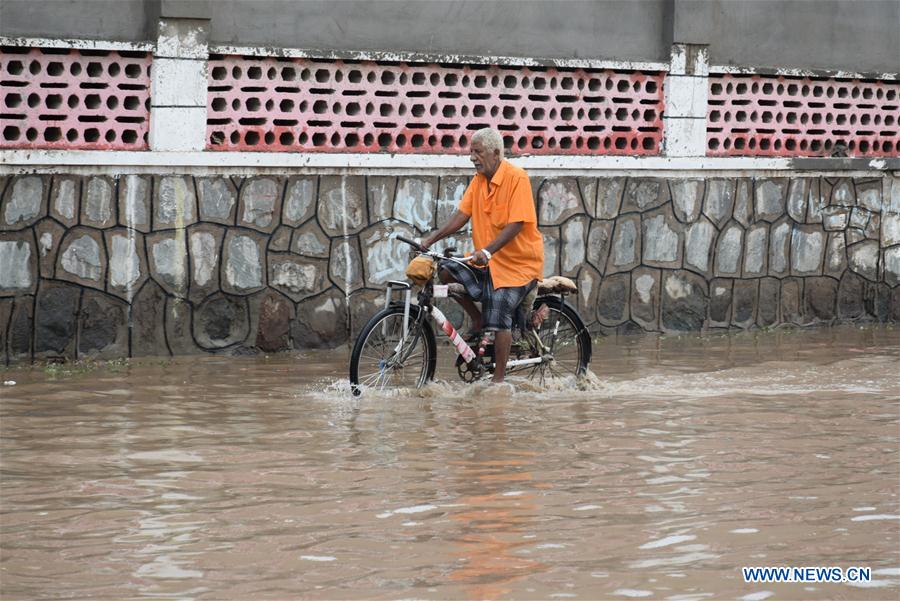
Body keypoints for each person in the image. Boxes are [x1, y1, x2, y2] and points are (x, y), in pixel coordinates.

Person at [421, 127, 544, 383]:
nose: (472, 158)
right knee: (445, 269)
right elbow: (461, 216)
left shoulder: (516, 178)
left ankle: (498, 382)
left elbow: (517, 223)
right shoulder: (478, 181)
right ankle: (478, 320)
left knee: (499, 309)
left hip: (517, 265)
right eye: (471, 152)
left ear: (496, 153)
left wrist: (488, 250)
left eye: (478, 152)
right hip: (487, 262)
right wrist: (430, 239)